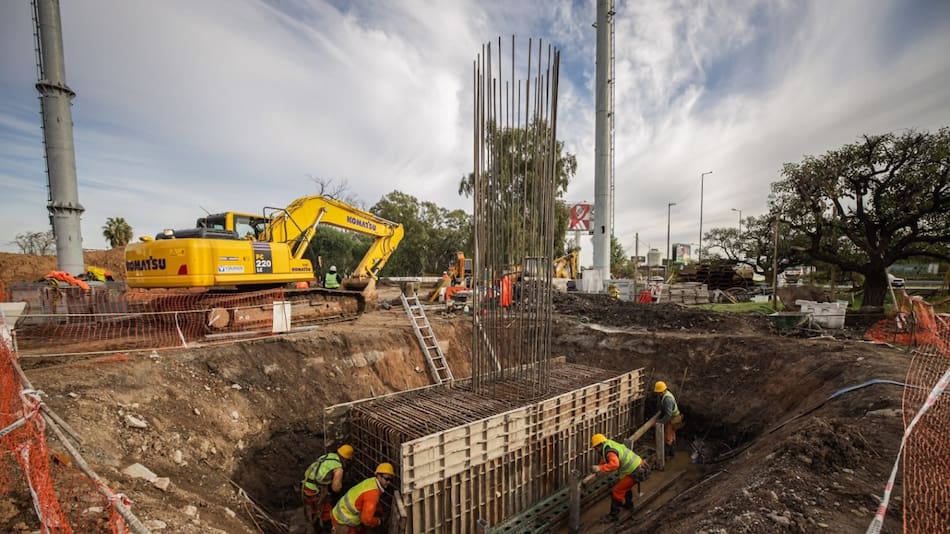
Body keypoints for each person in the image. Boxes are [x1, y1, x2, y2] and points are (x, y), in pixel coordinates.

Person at [590, 433, 650, 522]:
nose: (595, 450)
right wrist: (600, 467)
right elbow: (606, 459)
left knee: (617, 490)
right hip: (639, 465)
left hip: (635, 471)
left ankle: (613, 515)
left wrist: (600, 468)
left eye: (596, 448)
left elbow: (615, 464)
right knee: (624, 486)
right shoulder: (609, 444)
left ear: (600, 445)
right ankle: (629, 505)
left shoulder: (609, 451)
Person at [301, 444, 354, 533]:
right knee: (326, 510)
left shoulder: (328, 456)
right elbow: (335, 488)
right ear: (346, 459)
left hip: (305, 486)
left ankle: (316, 527)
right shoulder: (338, 468)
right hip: (315, 490)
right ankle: (328, 529)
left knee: (314, 508)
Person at [331, 462, 396, 533]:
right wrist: (379, 521)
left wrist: (379, 512)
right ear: (378, 476)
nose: (388, 482)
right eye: (387, 479)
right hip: (342, 521)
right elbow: (366, 520)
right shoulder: (372, 494)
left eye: (390, 479)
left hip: (340, 513)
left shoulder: (371, 482)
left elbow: (371, 503)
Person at [654, 381, 684, 457]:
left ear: (662, 391)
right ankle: (672, 453)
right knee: (672, 436)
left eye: (658, 392)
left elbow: (668, 414)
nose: (657, 394)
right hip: (675, 417)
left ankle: (668, 454)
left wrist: (660, 422)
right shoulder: (667, 393)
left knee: (668, 438)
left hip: (673, 419)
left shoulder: (667, 399)